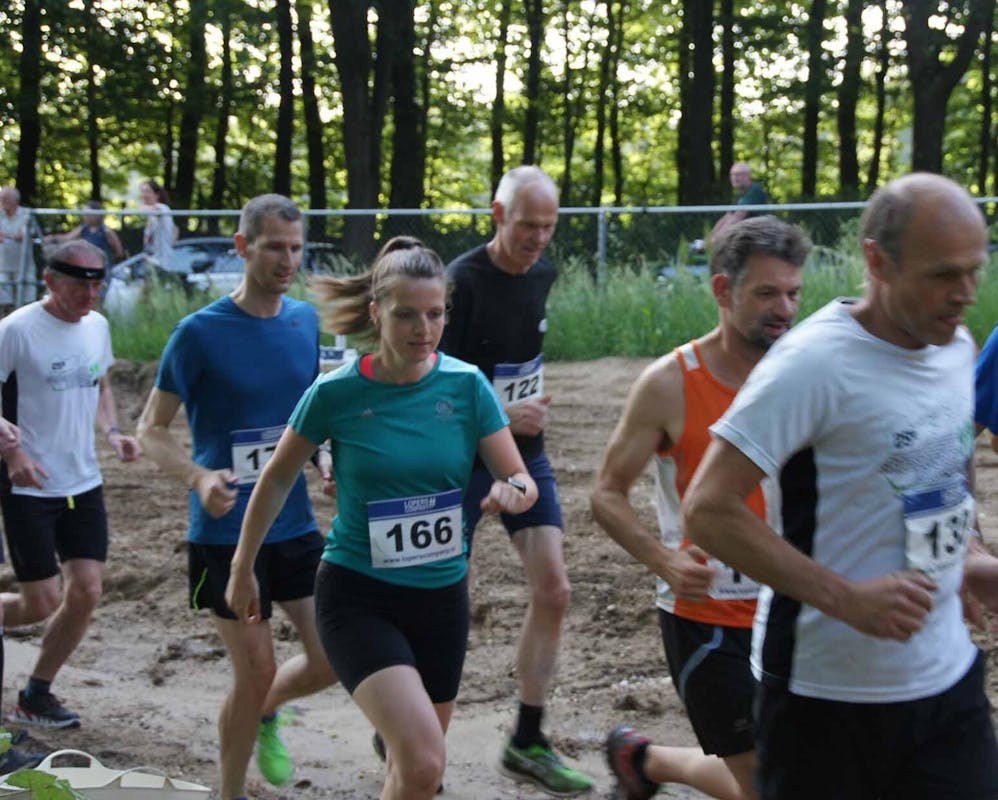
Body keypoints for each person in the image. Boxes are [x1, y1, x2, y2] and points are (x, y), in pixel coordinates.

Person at [681, 172, 998, 800]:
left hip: (946, 682)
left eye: (974, 271)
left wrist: (967, 553)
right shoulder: (812, 363)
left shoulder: (956, 346)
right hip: (825, 696)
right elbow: (708, 509)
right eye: (942, 274)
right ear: (877, 261)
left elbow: (950, 453)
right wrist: (846, 599)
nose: (965, 293)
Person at [225, 235, 537, 800]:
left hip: (442, 600)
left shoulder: (467, 386)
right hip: (358, 597)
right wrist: (242, 565)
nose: (424, 329)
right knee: (422, 763)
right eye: (407, 315)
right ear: (376, 313)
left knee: (413, 771)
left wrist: (513, 492)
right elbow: (275, 478)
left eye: (435, 314)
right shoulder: (336, 393)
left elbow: (519, 476)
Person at [591, 216, 809, 800]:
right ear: (722, 290)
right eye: (766, 293)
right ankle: (647, 762)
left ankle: (645, 761)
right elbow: (606, 492)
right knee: (769, 784)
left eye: (793, 293)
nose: (784, 309)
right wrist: (661, 560)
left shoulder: (807, 374)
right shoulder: (668, 383)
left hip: (797, 609)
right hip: (709, 621)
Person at [136, 194, 337, 800]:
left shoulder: (303, 321)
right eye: (274, 247)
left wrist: (324, 455)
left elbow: (307, 414)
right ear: (243, 246)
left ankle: (265, 709)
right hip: (224, 534)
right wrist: (198, 477)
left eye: (296, 248)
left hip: (293, 525)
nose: (287, 260)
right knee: (255, 669)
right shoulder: (198, 333)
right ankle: (229, 791)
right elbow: (150, 430)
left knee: (334, 655)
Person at [439, 164, 593, 795]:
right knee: (441, 600)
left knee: (553, 590)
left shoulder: (543, 274)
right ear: (498, 215)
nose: (538, 238)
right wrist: (503, 412)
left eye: (549, 227)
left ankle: (527, 739)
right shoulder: (460, 284)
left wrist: (517, 414)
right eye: (528, 225)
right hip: (457, 460)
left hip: (524, 456)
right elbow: (433, 388)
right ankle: (413, 729)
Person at [0, 239, 140, 729]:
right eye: (80, 284)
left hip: (83, 481)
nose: (90, 294)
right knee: (40, 601)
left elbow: (100, 384)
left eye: (98, 284)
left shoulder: (97, 326)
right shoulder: (16, 330)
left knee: (86, 592)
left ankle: (36, 694)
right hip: (28, 483)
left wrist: (114, 432)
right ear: (49, 280)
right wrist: (12, 452)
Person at [45, 201, 125, 267]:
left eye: (88, 214)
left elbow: (119, 252)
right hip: (87, 265)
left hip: (102, 268)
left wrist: (105, 259)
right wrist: (52, 238)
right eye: (84, 213)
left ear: (97, 215)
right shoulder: (83, 229)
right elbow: (67, 238)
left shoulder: (106, 231)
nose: (85, 216)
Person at [711, 163, 769, 238]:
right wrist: (708, 238)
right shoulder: (740, 194)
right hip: (746, 233)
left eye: (738, 174)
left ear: (748, 175)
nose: (734, 177)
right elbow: (727, 216)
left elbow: (738, 217)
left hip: (757, 235)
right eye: (732, 175)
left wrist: (716, 239)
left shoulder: (754, 190)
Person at [0, 187, 31, 312]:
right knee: (4, 302)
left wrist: (6, 236)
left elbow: (22, 235)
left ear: (15, 200)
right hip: (2, 265)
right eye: (1, 198)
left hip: (24, 266)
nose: (2, 201)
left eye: (5, 198)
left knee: (26, 302)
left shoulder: (26, 214)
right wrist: (13, 236)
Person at [138, 180, 176, 271]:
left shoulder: (162, 208)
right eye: (142, 191)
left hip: (162, 262)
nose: (143, 195)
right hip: (151, 260)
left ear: (157, 194)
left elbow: (155, 211)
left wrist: (139, 208)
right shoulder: (150, 216)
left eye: (147, 191)